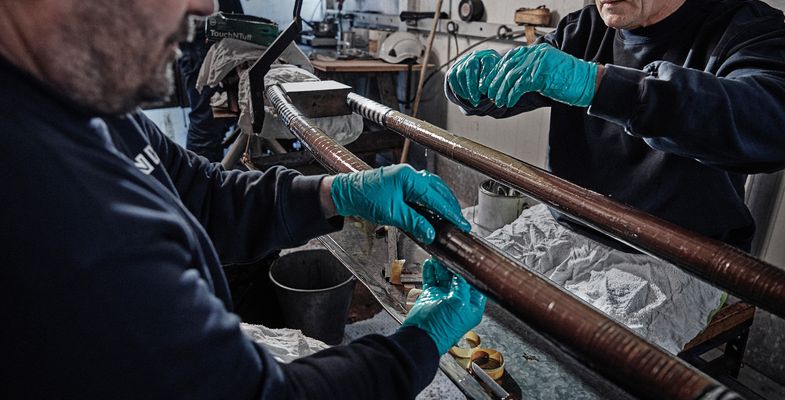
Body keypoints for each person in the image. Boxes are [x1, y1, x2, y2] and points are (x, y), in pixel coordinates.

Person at [0, 1, 485, 399]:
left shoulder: (82, 101)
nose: (203, 5)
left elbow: (201, 194)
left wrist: (336, 192)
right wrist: (418, 344)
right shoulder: (48, 208)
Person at [445, 0, 785, 353]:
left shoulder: (746, 28)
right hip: (569, 223)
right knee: (463, 300)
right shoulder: (585, 28)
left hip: (673, 257)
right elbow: (515, 86)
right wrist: (475, 86)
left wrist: (605, 86)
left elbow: (771, 123)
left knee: (581, 365)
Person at [177, 0, 244, 161]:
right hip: (203, 44)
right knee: (207, 123)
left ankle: (211, 176)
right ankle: (199, 181)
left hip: (216, 40)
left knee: (219, 118)